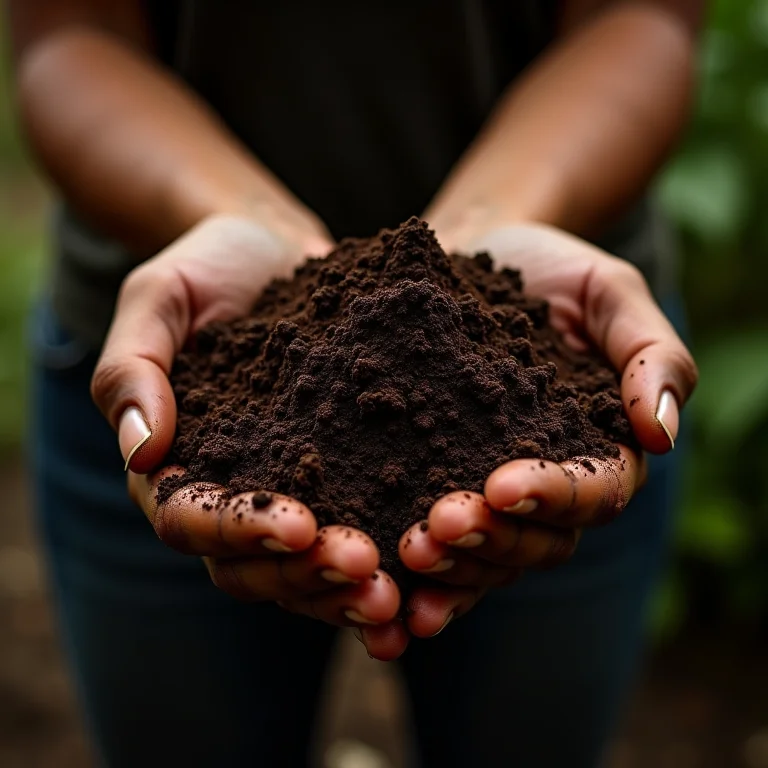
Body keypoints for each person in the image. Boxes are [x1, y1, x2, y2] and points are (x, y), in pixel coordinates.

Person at [9, 1, 701, 766]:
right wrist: (240, 213)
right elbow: (72, 35)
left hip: (563, 338)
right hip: (179, 352)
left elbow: (645, 15)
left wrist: (489, 215)